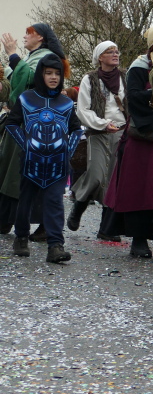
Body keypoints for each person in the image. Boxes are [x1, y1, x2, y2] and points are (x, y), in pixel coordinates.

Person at [102, 26, 153, 258]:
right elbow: (132, 96)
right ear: (151, 45)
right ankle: (139, 240)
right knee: (140, 190)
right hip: (143, 136)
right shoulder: (139, 67)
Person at [6, 54, 81, 263]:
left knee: (55, 202)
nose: (53, 77)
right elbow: (11, 124)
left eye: (57, 73)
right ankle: (21, 237)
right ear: (41, 74)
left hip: (58, 164)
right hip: (31, 163)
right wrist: (26, 145)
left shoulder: (66, 103)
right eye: (48, 73)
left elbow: (76, 130)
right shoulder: (26, 98)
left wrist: (68, 150)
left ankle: (55, 245)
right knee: (25, 202)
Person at [0, 24, 69, 236]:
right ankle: (9, 220)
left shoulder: (46, 57)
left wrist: (12, 55)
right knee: (15, 172)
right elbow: (17, 86)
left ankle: (39, 225)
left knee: (27, 173)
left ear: (39, 36)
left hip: (38, 123)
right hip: (24, 119)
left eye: (28, 33)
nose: (24, 36)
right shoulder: (33, 56)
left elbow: (29, 79)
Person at [67, 41, 127, 240]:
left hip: (122, 132)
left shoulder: (125, 77)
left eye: (116, 51)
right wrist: (101, 123)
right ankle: (79, 206)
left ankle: (106, 228)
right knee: (95, 176)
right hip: (99, 133)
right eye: (110, 51)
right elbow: (82, 109)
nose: (115, 54)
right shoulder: (89, 79)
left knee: (114, 181)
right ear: (100, 57)